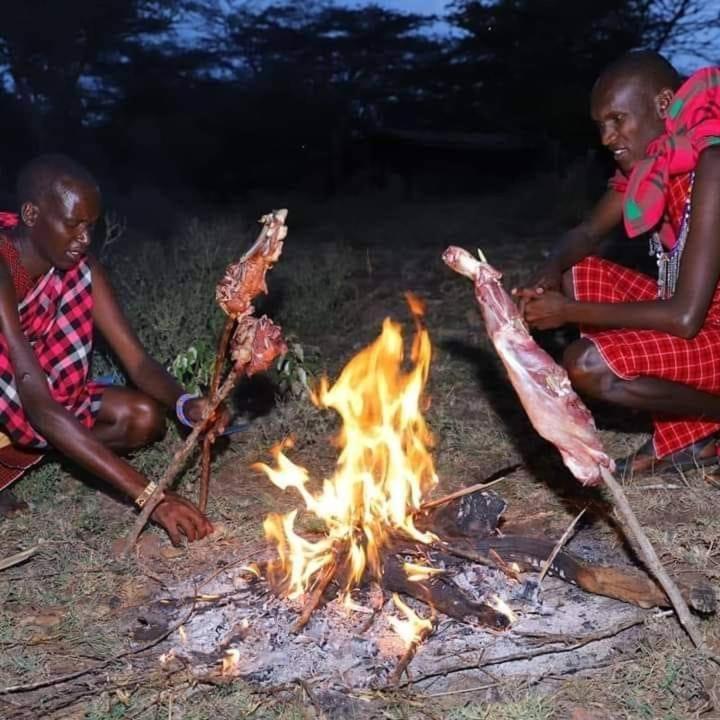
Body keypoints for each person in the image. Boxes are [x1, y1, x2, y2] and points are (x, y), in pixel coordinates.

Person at [513, 50, 720, 475]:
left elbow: (684, 317)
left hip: (699, 323)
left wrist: (567, 313)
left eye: (617, 120)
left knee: (586, 364)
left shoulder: (713, 164)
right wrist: (548, 272)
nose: (607, 138)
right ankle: (694, 436)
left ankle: (710, 419)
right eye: (600, 126)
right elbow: (587, 233)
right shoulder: (655, 166)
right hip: (700, 322)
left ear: (664, 105)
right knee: (578, 267)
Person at [0, 154, 224, 543]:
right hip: (24, 396)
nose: (85, 239)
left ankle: (68, 447)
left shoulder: (79, 268)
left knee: (141, 417)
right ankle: (52, 448)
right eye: (72, 225)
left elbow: (136, 361)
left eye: (90, 226)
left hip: (34, 398)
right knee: (49, 417)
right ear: (32, 215)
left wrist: (186, 403)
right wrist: (153, 497)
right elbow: (37, 403)